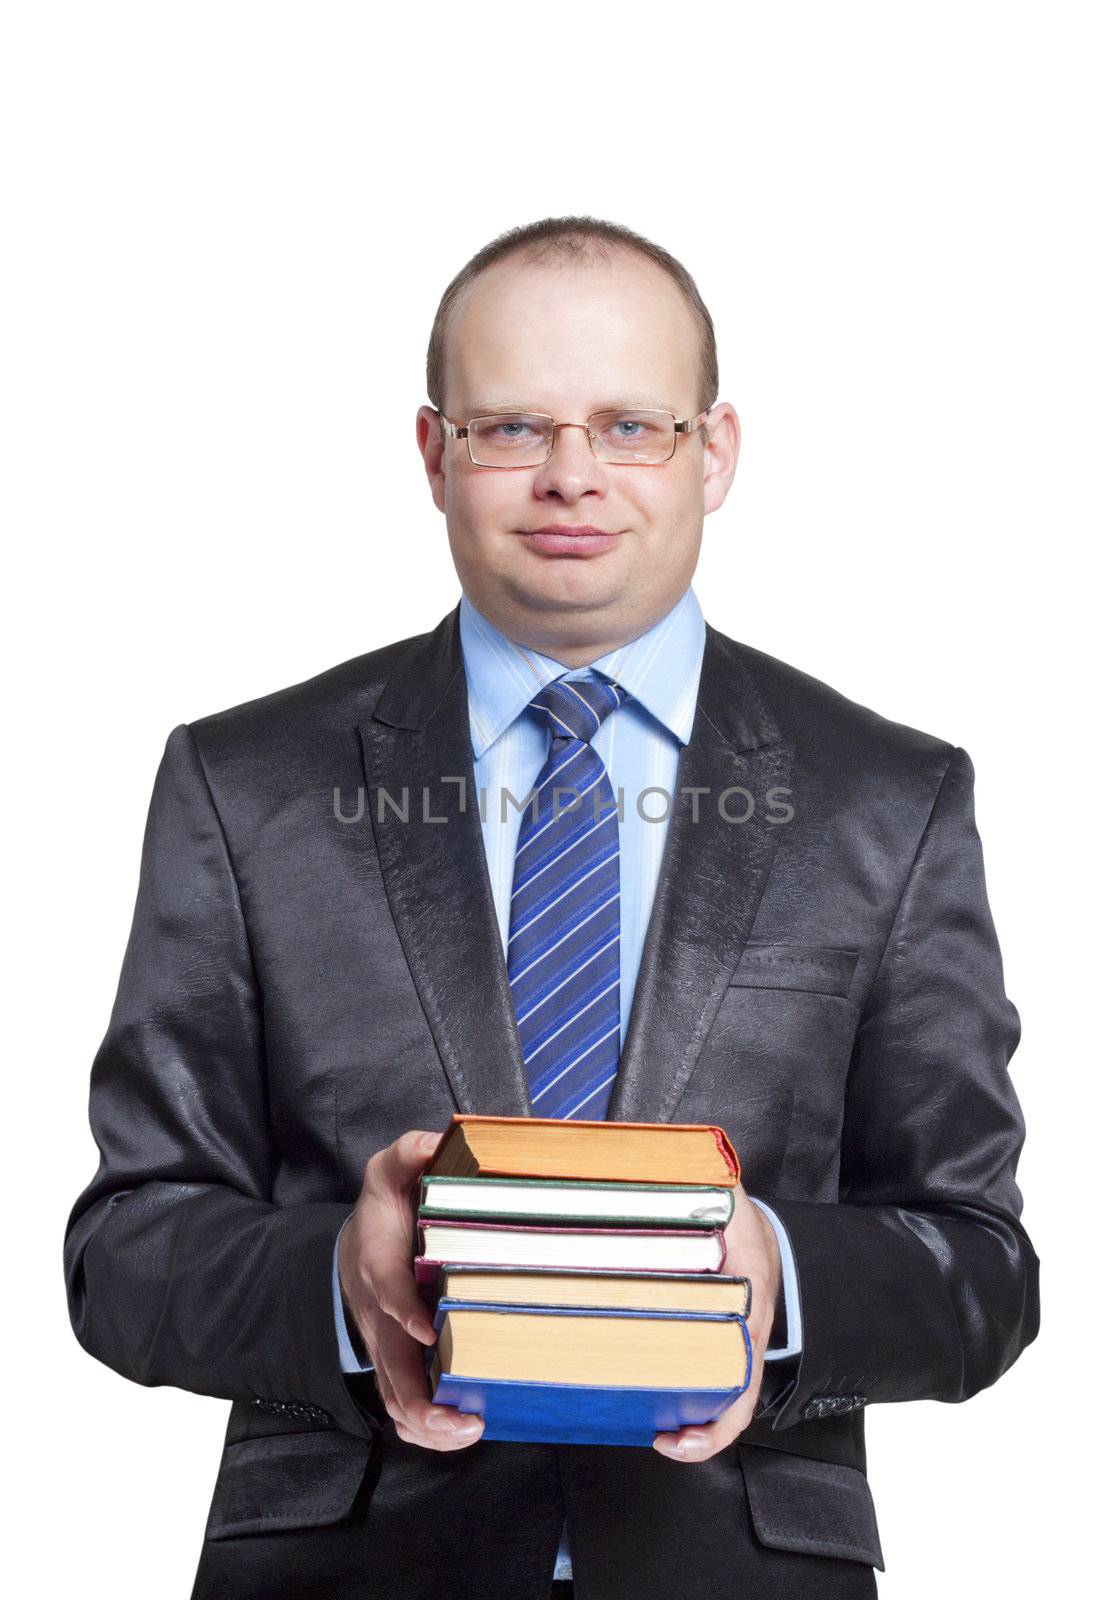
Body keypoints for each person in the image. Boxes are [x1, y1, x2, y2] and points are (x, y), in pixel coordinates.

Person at [63, 215, 1040, 1600]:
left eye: (631, 425)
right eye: (513, 427)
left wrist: (779, 1274)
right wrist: (342, 1280)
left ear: (716, 453)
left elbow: (983, 1268)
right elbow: (125, 1250)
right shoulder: (245, 788)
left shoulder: (887, 800)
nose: (571, 476)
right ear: (434, 455)